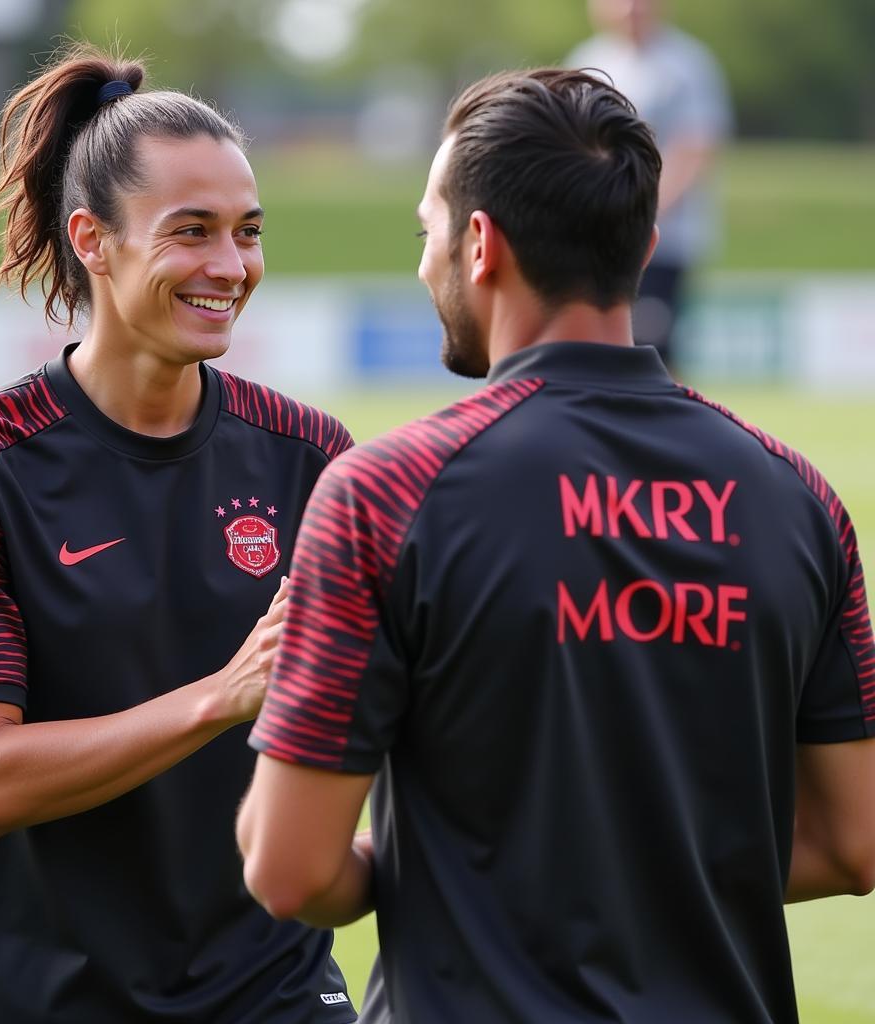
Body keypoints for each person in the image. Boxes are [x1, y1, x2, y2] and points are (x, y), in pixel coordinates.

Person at [236, 68, 875, 1023]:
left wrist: (480, 873)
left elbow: (288, 870)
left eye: (428, 231)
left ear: (479, 244)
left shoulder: (385, 494)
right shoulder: (801, 500)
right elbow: (852, 843)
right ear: (646, 245)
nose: (425, 262)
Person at [0, 43, 357, 1024]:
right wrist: (220, 699)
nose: (230, 267)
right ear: (92, 240)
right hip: (52, 998)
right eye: (192, 232)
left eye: (247, 232)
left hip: (275, 991)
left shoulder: (310, 454)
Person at [565, 0, 733, 367]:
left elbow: (695, 147)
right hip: (598, 234)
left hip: (662, 237)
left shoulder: (687, 65)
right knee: (597, 347)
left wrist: (642, 212)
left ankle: (659, 424)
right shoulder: (587, 61)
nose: (629, 8)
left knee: (651, 347)